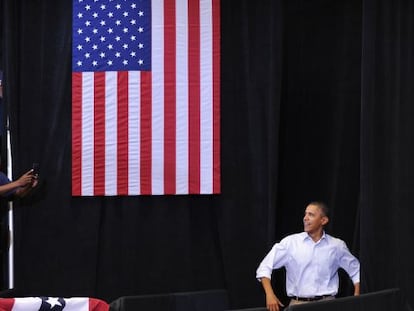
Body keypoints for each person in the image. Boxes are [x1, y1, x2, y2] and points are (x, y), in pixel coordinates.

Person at [256, 201, 360, 311]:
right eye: (305, 214)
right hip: (298, 304)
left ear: (323, 220)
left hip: (328, 304)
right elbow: (264, 268)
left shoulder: (336, 245)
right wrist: (270, 295)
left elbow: (356, 270)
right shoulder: (290, 243)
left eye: (311, 215)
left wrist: (357, 297)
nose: (305, 218)